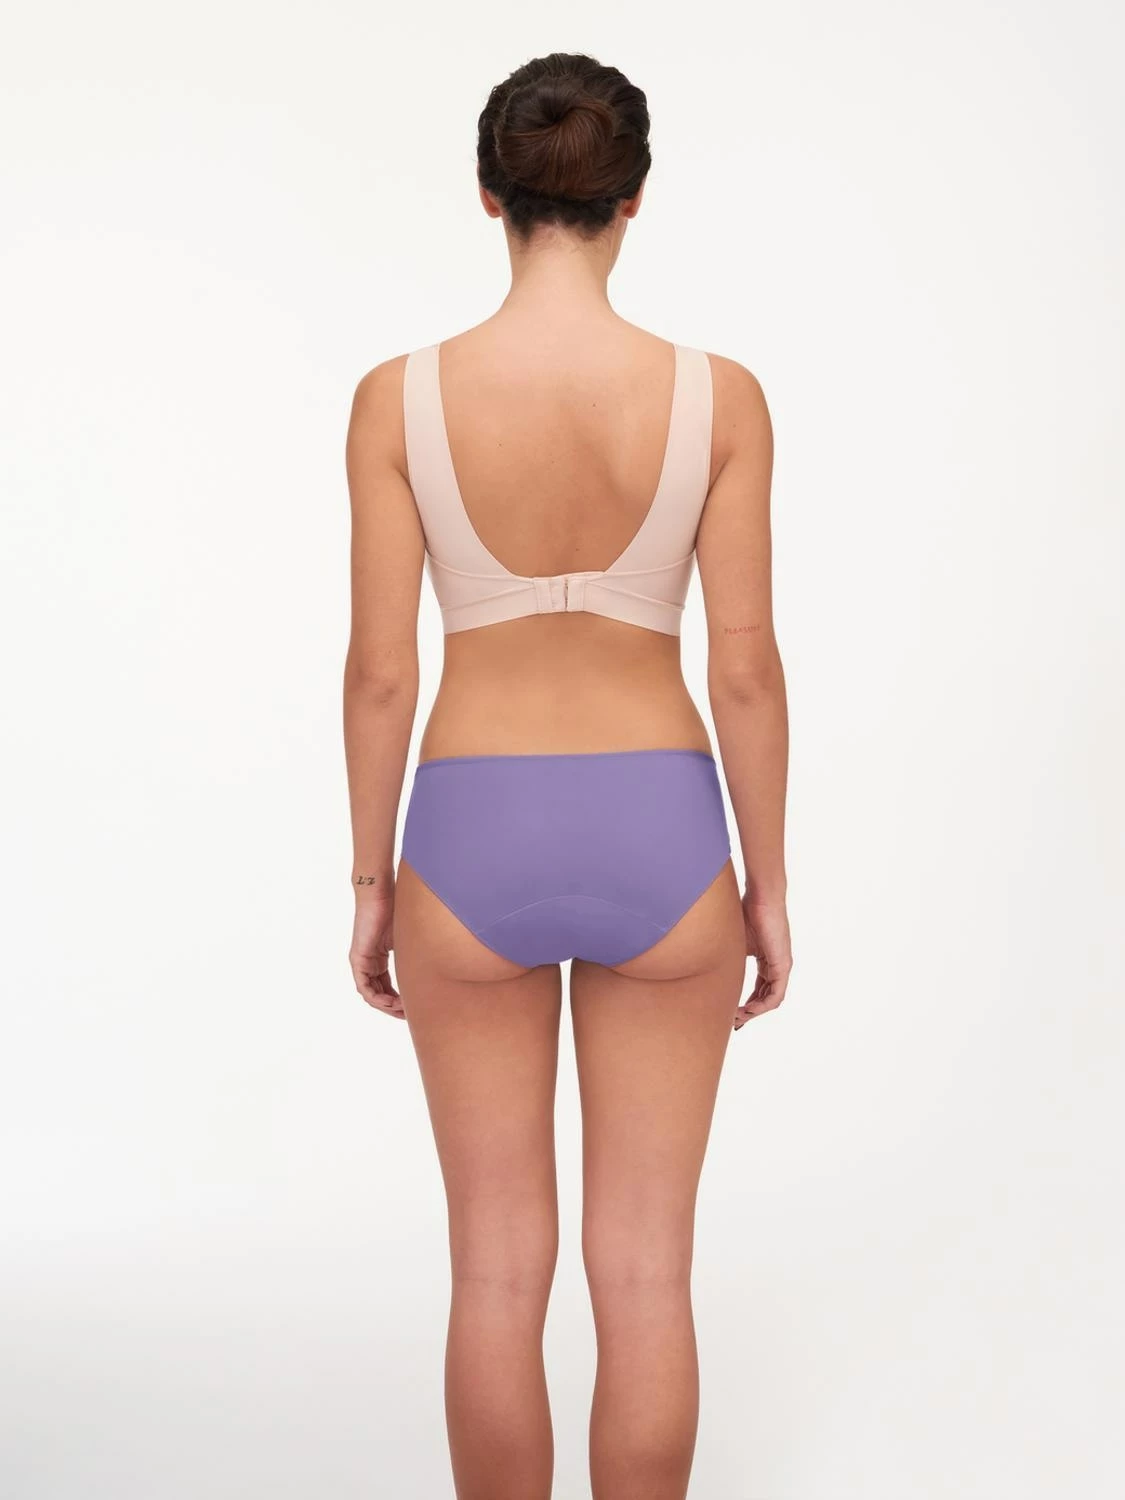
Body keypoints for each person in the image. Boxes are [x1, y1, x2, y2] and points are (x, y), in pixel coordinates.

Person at [342, 49, 793, 1500]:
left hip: (471, 827)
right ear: (632, 200)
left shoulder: (398, 401)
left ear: (491, 196)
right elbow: (744, 670)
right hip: (662, 831)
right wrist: (765, 885)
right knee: (647, 1271)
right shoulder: (720, 399)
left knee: (494, 1268)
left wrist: (371, 881)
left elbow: (381, 674)